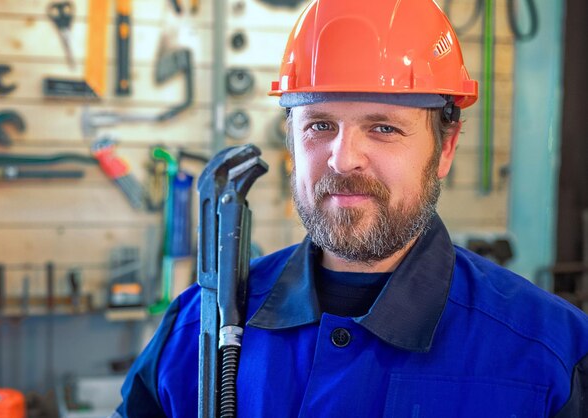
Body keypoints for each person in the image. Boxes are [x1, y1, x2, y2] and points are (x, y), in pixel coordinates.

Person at [114, 0, 588, 416]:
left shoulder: (549, 352)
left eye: (383, 128)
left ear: (445, 147)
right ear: (291, 139)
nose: (343, 159)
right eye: (319, 126)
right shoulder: (200, 327)